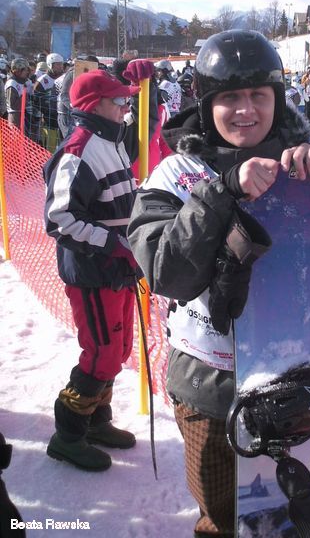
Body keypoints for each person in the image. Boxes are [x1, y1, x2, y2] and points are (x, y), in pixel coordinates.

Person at [126, 30, 310, 538]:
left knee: (307, 514)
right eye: (230, 97)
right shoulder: (178, 174)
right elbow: (165, 271)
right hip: (211, 388)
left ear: (277, 98)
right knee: (227, 519)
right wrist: (221, 192)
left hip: (298, 386)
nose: (246, 110)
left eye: (258, 95)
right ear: (207, 103)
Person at [43, 69, 141, 472]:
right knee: (101, 353)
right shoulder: (78, 150)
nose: (126, 107)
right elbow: (60, 219)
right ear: (94, 105)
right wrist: (114, 244)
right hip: (93, 271)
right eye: (119, 101)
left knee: (119, 350)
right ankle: (67, 436)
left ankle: (97, 420)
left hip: (118, 268)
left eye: (126, 100)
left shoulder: (112, 140)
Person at [34, 52, 65, 151]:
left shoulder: (64, 78)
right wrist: (47, 110)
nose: (60, 67)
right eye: (57, 64)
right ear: (50, 65)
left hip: (62, 118)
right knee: (50, 147)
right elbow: (36, 100)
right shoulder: (43, 81)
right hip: (49, 120)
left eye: (61, 64)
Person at [5, 57, 34, 136]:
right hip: (15, 117)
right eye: (25, 70)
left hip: (24, 114)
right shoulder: (12, 83)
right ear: (18, 71)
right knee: (16, 138)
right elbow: (13, 105)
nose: (27, 72)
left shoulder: (24, 81)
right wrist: (25, 97)